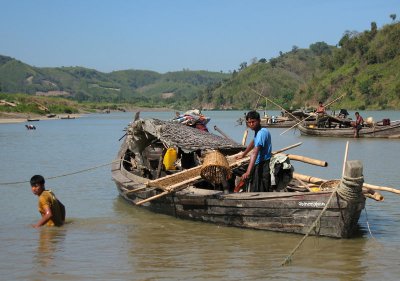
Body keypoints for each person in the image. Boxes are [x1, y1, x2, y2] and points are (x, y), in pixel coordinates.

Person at [236, 111, 272, 192]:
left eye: (253, 122)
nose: (251, 124)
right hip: (262, 162)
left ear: (259, 121)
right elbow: (253, 142)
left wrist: (248, 172)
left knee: (260, 189)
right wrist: (243, 154)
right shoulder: (261, 130)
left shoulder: (261, 133)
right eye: (249, 122)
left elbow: (254, 152)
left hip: (262, 165)